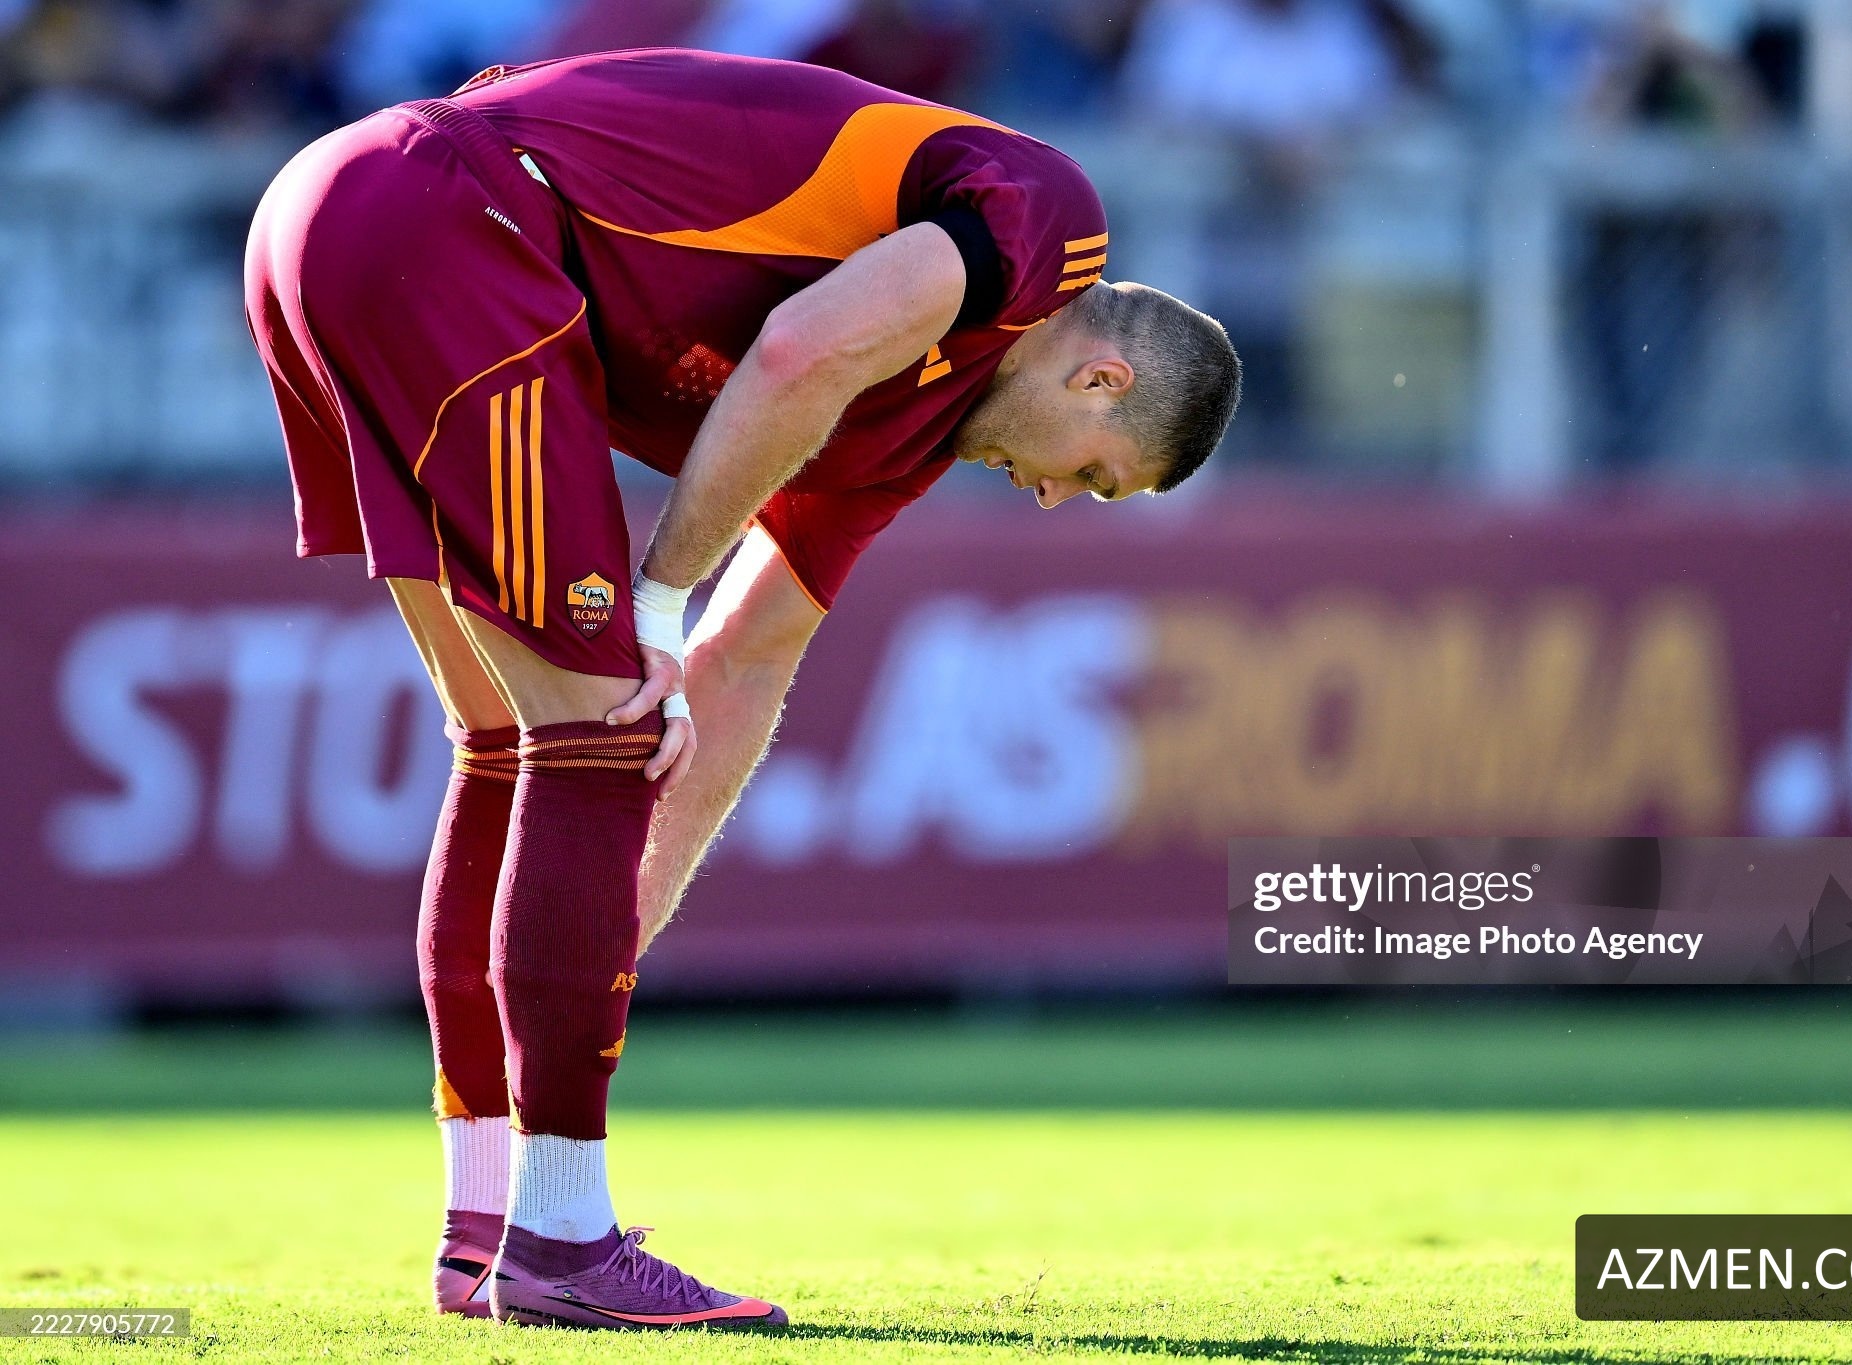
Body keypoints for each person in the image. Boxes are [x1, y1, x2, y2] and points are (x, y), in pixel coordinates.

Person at [243, 46, 1240, 1332]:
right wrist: (657, 601)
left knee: (513, 745)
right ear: (1100, 379)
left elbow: (749, 663)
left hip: (336, 214)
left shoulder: (901, 429)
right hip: (448, 216)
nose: (1053, 500)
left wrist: (603, 940)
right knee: (594, 734)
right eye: (1092, 476)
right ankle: (563, 1245)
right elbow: (794, 351)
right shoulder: (1052, 230)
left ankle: (486, 1229)